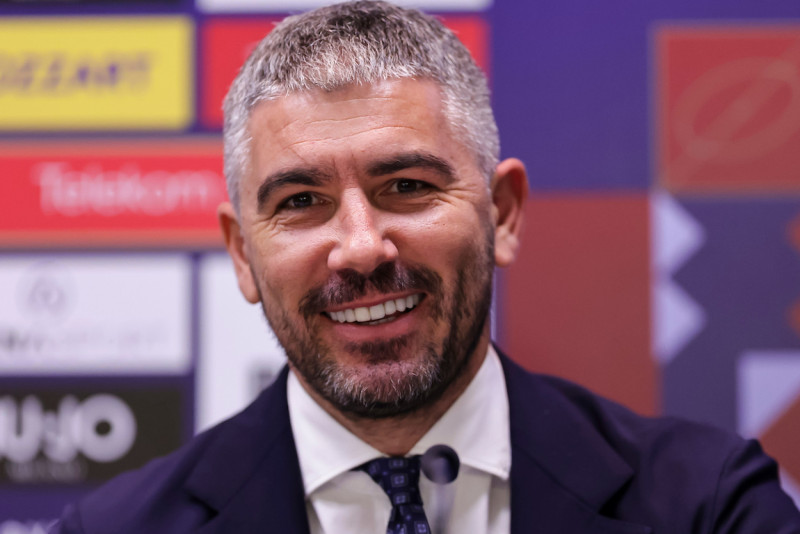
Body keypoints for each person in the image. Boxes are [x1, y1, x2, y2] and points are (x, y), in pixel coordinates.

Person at [53, 1, 800, 533]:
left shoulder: (710, 506)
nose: (360, 247)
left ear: (502, 212)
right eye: (302, 202)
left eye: (407, 187)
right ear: (243, 253)